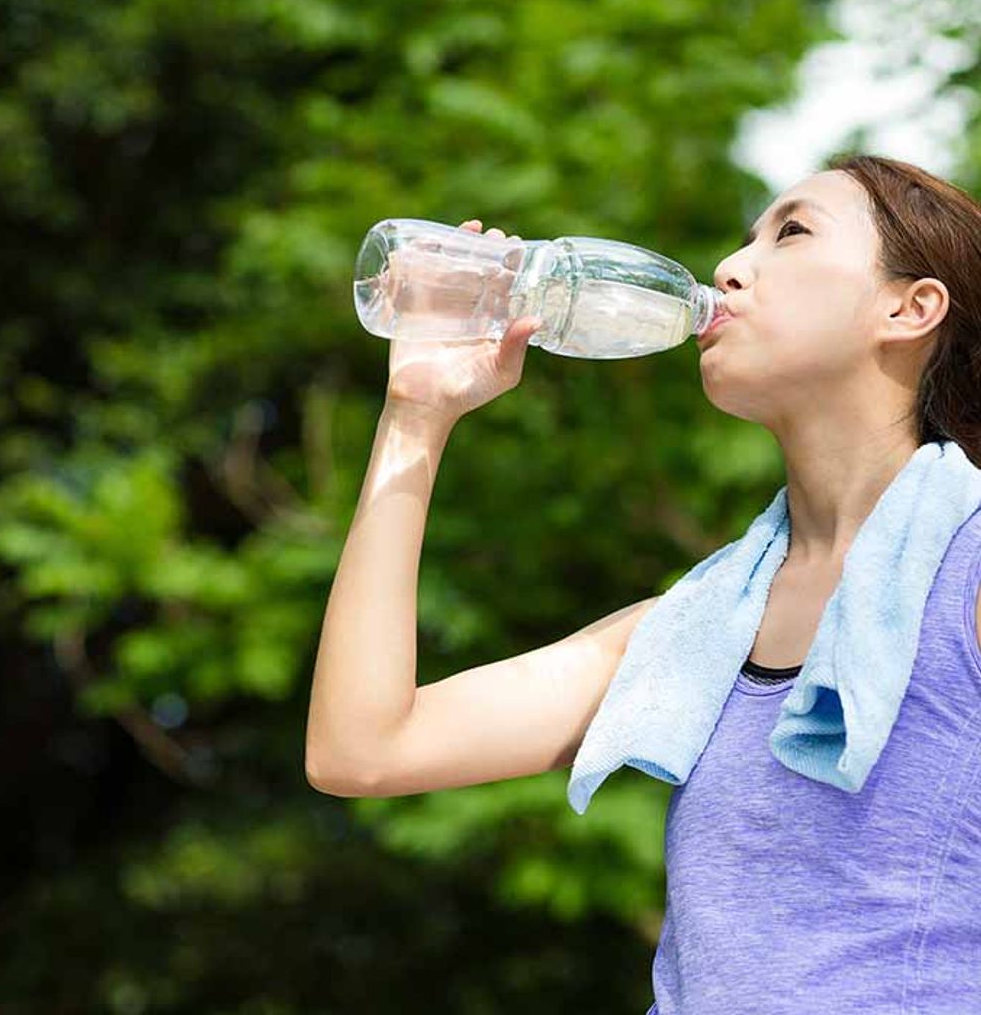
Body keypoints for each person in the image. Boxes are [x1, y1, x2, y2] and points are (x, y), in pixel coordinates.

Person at [305, 154, 981, 1012]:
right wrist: (418, 412)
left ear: (909, 307)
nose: (731, 268)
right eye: (744, 240)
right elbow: (361, 749)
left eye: (793, 232)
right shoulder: (698, 624)